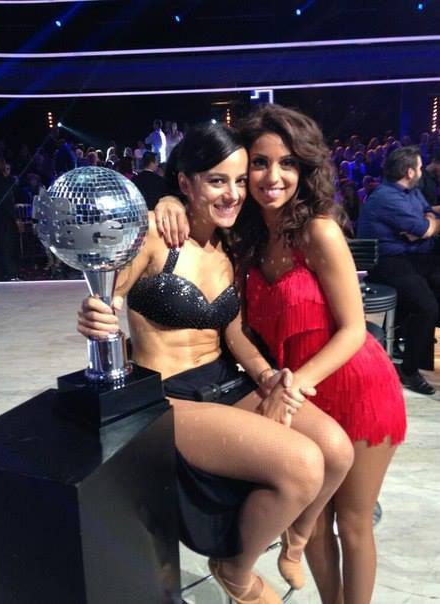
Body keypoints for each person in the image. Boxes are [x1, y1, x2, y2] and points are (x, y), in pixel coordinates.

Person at [78, 122, 354, 604]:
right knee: (304, 464)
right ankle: (236, 570)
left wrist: (267, 376)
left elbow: (233, 332)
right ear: (186, 182)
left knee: (336, 449)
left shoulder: (230, 244)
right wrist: (95, 316)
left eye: (240, 181)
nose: (233, 193)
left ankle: (294, 538)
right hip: (168, 394)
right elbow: (107, 298)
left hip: (226, 380)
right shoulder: (155, 235)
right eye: (217, 180)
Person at [155, 105, 406, 604]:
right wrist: (167, 199)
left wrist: (291, 388)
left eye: (288, 163)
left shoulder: (318, 231)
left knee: (353, 523)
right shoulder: (241, 235)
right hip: (292, 388)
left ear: (304, 168)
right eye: (260, 163)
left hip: (354, 385)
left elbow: (355, 329)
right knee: (313, 521)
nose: (274, 177)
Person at [358, 145, 440, 395]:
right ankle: (409, 369)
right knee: (427, 307)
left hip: (412, 255)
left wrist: (427, 223)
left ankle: (418, 350)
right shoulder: (387, 197)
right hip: (387, 261)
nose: (422, 171)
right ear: (409, 172)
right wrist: (426, 226)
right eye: (419, 167)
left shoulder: (411, 191)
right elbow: (423, 229)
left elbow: (428, 216)